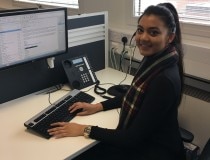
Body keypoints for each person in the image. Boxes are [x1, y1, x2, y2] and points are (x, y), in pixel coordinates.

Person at [48, 3, 185, 160]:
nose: (143, 38)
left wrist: (83, 129)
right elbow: (132, 94)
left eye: (153, 32)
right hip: (145, 143)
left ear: (170, 37)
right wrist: (98, 106)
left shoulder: (164, 79)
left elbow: (131, 138)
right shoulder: (156, 60)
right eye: (140, 30)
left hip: (152, 151)